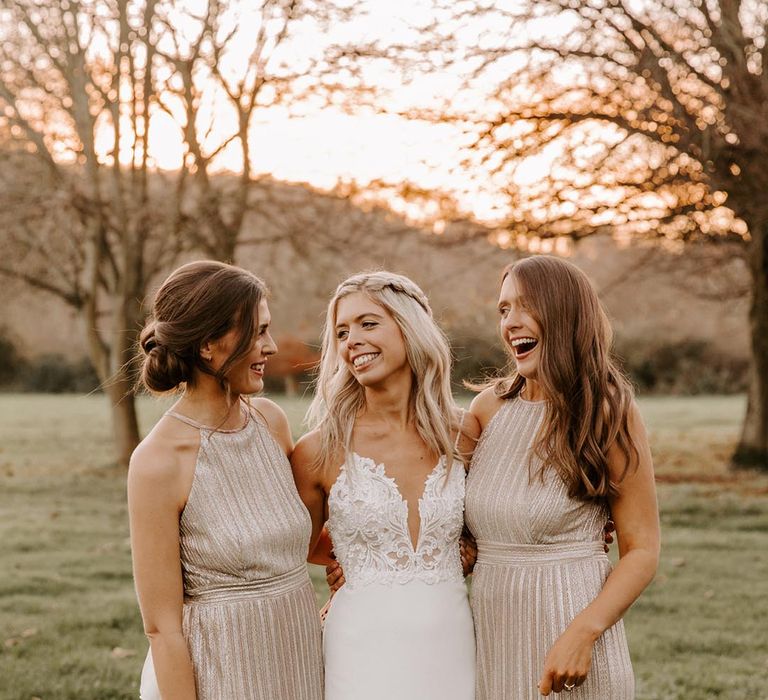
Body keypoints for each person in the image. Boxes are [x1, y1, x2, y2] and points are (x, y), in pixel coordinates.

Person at [466, 254, 660, 698]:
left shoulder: (608, 412)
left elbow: (643, 550)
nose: (510, 323)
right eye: (503, 309)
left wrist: (583, 633)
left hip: (576, 643)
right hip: (494, 645)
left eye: (526, 306)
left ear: (564, 313)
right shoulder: (486, 411)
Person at [128, 261, 323, 700]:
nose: (270, 347)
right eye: (256, 333)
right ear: (208, 345)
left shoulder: (271, 423)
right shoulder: (157, 462)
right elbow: (161, 628)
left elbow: (292, 536)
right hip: (223, 673)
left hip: (302, 659)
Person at [291, 271, 479, 700]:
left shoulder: (464, 433)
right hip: (360, 646)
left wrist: (466, 549)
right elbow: (287, 546)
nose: (351, 340)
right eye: (341, 331)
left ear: (410, 327)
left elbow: (494, 520)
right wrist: (355, 557)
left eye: (367, 323)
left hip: (451, 644)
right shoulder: (319, 449)